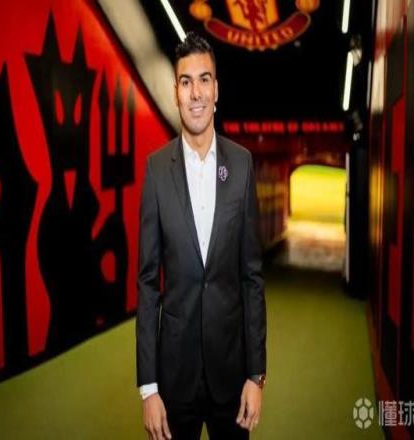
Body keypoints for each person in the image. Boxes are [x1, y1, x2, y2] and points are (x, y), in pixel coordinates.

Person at [136, 32, 266, 440]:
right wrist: (149, 388)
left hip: (232, 376)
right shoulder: (157, 170)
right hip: (175, 380)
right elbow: (147, 283)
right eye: (186, 82)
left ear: (216, 90)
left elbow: (252, 277)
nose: (196, 93)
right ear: (175, 93)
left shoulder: (242, 165)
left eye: (204, 80)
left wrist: (256, 375)